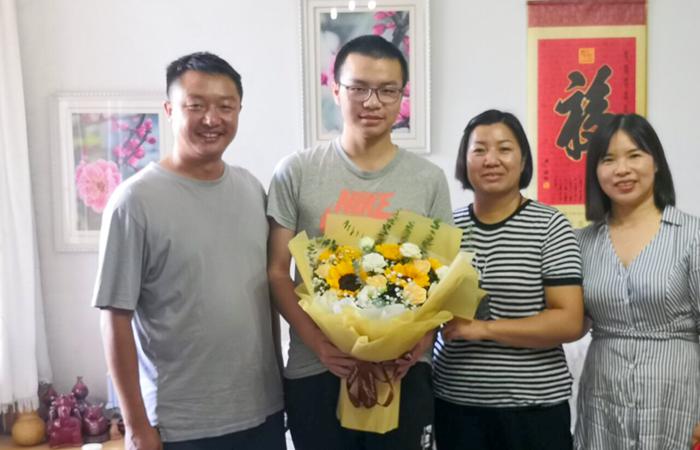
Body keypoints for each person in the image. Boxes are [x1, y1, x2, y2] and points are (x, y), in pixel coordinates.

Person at [267, 35, 452, 450]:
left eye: (387, 90)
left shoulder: (428, 180)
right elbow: (277, 271)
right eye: (359, 88)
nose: (373, 102)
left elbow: (442, 279)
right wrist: (320, 345)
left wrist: (420, 342)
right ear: (336, 90)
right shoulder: (297, 171)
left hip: (402, 371)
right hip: (317, 369)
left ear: (401, 97)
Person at [93, 52, 285, 450]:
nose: (211, 119)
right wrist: (136, 427)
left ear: (239, 110)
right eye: (195, 105)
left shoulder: (252, 190)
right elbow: (115, 318)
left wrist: (280, 386)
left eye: (225, 106)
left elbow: (264, 295)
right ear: (170, 110)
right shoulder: (134, 202)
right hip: (181, 426)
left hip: (262, 414)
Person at [433, 109, 584, 450]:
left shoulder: (550, 225)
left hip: (533, 409)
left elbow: (569, 320)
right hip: (455, 403)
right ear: (464, 161)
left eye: (504, 149)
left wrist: (484, 329)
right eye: (479, 150)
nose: (491, 160)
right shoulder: (447, 228)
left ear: (523, 160)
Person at [573, 113, 700, 450]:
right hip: (604, 395)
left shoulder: (692, 235)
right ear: (595, 171)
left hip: (676, 396)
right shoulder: (582, 242)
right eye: (608, 160)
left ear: (655, 162)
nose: (622, 169)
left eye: (634, 155)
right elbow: (573, 321)